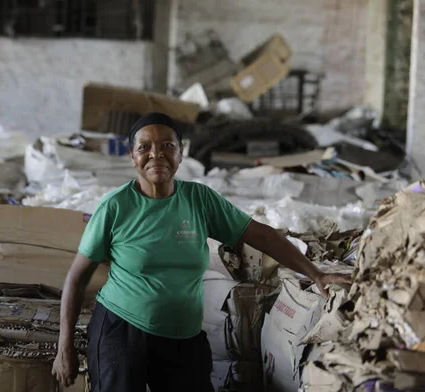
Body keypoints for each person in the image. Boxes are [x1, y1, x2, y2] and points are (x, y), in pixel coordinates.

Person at [52, 112, 351, 392]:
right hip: (121, 331)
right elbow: (77, 278)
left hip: (183, 337)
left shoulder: (199, 200)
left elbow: (262, 235)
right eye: (144, 147)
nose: (156, 154)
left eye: (167, 145)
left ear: (181, 155)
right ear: (132, 157)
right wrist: (64, 345)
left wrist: (316, 274)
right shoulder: (116, 207)